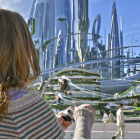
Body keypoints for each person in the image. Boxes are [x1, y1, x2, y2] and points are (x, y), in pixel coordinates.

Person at [0, 9, 95, 139]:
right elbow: (21, 124)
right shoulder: (26, 107)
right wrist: (84, 118)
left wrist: (46, 127)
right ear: (21, 48)